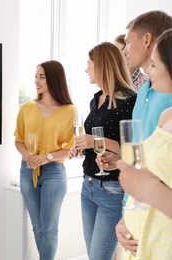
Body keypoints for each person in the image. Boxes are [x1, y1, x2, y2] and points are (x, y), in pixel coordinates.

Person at [68, 42, 136, 260]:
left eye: (89, 63)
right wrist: (81, 146)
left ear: (102, 65)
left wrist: (96, 140)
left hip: (113, 190)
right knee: (94, 256)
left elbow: (132, 147)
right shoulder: (95, 99)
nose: (86, 68)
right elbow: (93, 142)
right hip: (88, 186)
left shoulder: (128, 100)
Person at [115, 28, 172, 259]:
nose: (149, 70)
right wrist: (125, 220)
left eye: (156, 65)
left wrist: (147, 189)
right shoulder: (166, 116)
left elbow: (153, 187)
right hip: (143, 246)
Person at [14, 60, 76, 260]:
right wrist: (27, 156)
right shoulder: (26, 108)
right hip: (27, 170)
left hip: (54, 173)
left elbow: (70, 149)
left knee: (49, 229)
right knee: (38, 227)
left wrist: (46, 157)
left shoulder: (70, 111)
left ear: (54, 79)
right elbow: (19, 141)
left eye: (42, 77)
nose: (36, 81)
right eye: (36, 76)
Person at [98, 10, 172, 171]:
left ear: (146, 40)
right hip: (132, 194)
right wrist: (120, 160)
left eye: (128, 43)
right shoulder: (142, 90)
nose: (124, 51)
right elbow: (144, 149)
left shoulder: (169, 91)